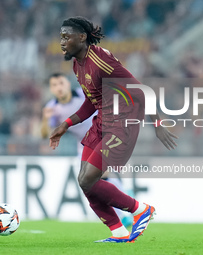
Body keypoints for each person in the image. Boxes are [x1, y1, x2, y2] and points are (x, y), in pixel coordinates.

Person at [49, 16, 178, 243]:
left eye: (66, 37)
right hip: (102, 121)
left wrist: (157, 124)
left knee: (88, 179)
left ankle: (140, 209)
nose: (62, 42)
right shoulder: (77, 63)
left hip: (122, 124)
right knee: (84, 181)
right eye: (61, 37)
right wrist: (66, 124)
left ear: (81, 37)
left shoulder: (100, 61)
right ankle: (118, 232)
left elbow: (141, 91)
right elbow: (92, 101)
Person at [41, 73, 132, 225]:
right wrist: (45, 119)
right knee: (90, 182)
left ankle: (126, 209)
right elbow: (44, 134)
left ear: (68, 84)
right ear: (51, 89)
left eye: (61, 83)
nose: (59, 88)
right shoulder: (51, 108)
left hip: (103, 134)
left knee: (100, 175)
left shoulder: (83, 96)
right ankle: (123, 204)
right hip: (83, 144)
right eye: (55, 85)